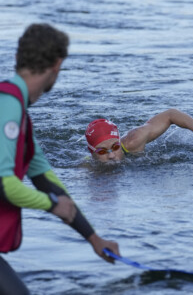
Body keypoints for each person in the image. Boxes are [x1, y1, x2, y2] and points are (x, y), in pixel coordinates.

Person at [0, 24, 120, 295]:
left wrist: (93, 237)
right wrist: (51, 205)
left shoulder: (18, 111)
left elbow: (45, 178)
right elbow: (5, 184)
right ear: (57, 65)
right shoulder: (8, 105)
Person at [84, 109, 193, 163]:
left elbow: (170, 114)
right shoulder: (87, 170)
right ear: (92, 153)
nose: (111, 156)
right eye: (102, 151)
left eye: (115, 147)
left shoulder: (133, 141)